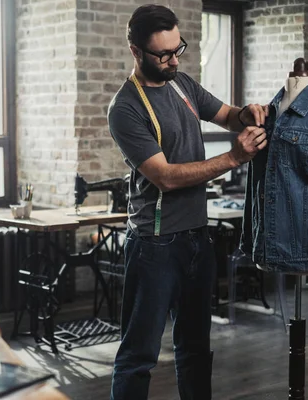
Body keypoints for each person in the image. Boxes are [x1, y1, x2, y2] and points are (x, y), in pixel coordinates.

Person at [108, 5, 268, 400]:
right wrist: (233, 158)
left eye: (178, 49)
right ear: (136, 51)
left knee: (196, 349)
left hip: (197, 238)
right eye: (162, 54)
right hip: (155, 245)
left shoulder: (182, 85)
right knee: (138, 356)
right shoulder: (125, 108)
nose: (173, 60)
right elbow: (164, 176)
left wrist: (247, 113)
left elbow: (229, 116)